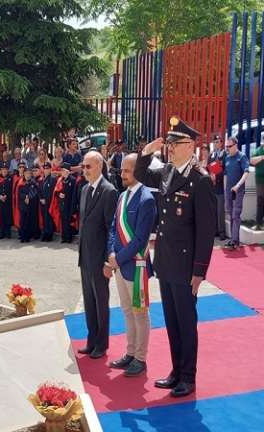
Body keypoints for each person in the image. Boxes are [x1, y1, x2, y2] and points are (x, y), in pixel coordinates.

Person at [135, 117, 216, 398]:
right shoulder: (168, 171)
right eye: (168, 143)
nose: (170, 147)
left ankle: (188, 376)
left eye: (175, 143)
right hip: (166, 260)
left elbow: (206, 232)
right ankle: (175, 370)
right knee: (171, 319)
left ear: (191, 145)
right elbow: (143, 175)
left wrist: (199, 272)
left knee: (185, 321)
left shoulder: (200, 180)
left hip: (185, 265)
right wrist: (147, 151)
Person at [106, 153, 157, 377]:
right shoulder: (122, 196)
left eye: (126, 170)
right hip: (120, 263)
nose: (122, 174)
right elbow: (112, 228)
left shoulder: (146, 199)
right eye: (122, 170)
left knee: (140, 313)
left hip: (136, 266)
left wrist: (118, 258)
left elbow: (140, 239)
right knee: (127, 311)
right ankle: (130, 353)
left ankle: (141, 357)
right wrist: (110, 252)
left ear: (137, 171)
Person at [77, 151, 119, 359]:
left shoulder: (109, 191)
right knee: (89, 301)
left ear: (100, 166)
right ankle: (91, 339)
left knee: (101, 302)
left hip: (100, 259)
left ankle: (102, 344)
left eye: (89, 167)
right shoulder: (85, 190)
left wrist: (107, 261)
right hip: (85, 257)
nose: (85, 171)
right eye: (83, 166)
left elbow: (110, 229)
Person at [223, 137, 249, 250]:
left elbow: (246, 172)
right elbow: (226, 174)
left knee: (236, 214)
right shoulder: (227, 158)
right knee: (230, 214)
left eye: (230, 146)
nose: (228, 148)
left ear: (236, 145)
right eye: (227, 146)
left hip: (238, 191)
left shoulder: (242, 157)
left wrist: (238, 186)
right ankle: (235, 240)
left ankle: (234, 241)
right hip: (228, 191)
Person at [53, 162, 77, 243]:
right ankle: (64, 237)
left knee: (69, 221)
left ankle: (69, 238)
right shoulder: (60, 179)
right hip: (62, 203)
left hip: (69, 203)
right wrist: (59, 194)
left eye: (63, 170)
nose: (62, 172)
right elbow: (56, 191)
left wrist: (66, 196)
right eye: (62, 170)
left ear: (67, 171)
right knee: (63, 221)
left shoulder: (73, 180)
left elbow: (74, 193)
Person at [208, 135, 226, 240]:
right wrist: (211, 176)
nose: (216, 143)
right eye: (215, 142)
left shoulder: (224, 154)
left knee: (220, 211)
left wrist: (216, 176)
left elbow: (224, 169)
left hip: (220, 185)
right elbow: (208, 167)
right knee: (213, 210)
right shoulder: (212, 154)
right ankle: (215, 231)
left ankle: (222, 232)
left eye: (218, 141)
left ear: (221, 143)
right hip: (212, 185)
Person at [18, 166, 40, 243]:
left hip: (31, 205)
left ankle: (28, 237)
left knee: (29, 221)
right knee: (22, 221)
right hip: (23, 205)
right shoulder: (21, 182)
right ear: (23, 174)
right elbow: (19, 193)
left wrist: (29, 198)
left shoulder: (33, 183)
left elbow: (35, 192)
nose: (27, 175)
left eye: (29, 173)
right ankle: (22, 236)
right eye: (26, 173)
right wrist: (25, 197)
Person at [39, 162, 56, 241]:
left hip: (49, 203)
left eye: (47, 168)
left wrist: (46, 200)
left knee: (48, 219)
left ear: (50, 169)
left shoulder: (52, 179)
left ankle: (49, 235)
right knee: (44, 219)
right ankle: (45, 234)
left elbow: (52, 192)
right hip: (42, 203)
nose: (46, 170)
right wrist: (41, 199)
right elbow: (40, 191)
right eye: (45, 168)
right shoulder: (42, 179)